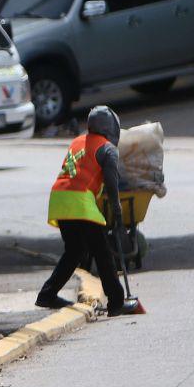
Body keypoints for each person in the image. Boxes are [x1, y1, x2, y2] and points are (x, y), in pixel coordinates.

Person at [37, 105, 138, 315]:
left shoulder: (77, 142)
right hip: (80, 202)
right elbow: (112, 183)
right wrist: (118, 213)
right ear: (112, 127)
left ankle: (47, 294)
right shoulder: (108, 149)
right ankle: (117, 302)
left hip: (58, 198)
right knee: (102, 253)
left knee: (75, 251)